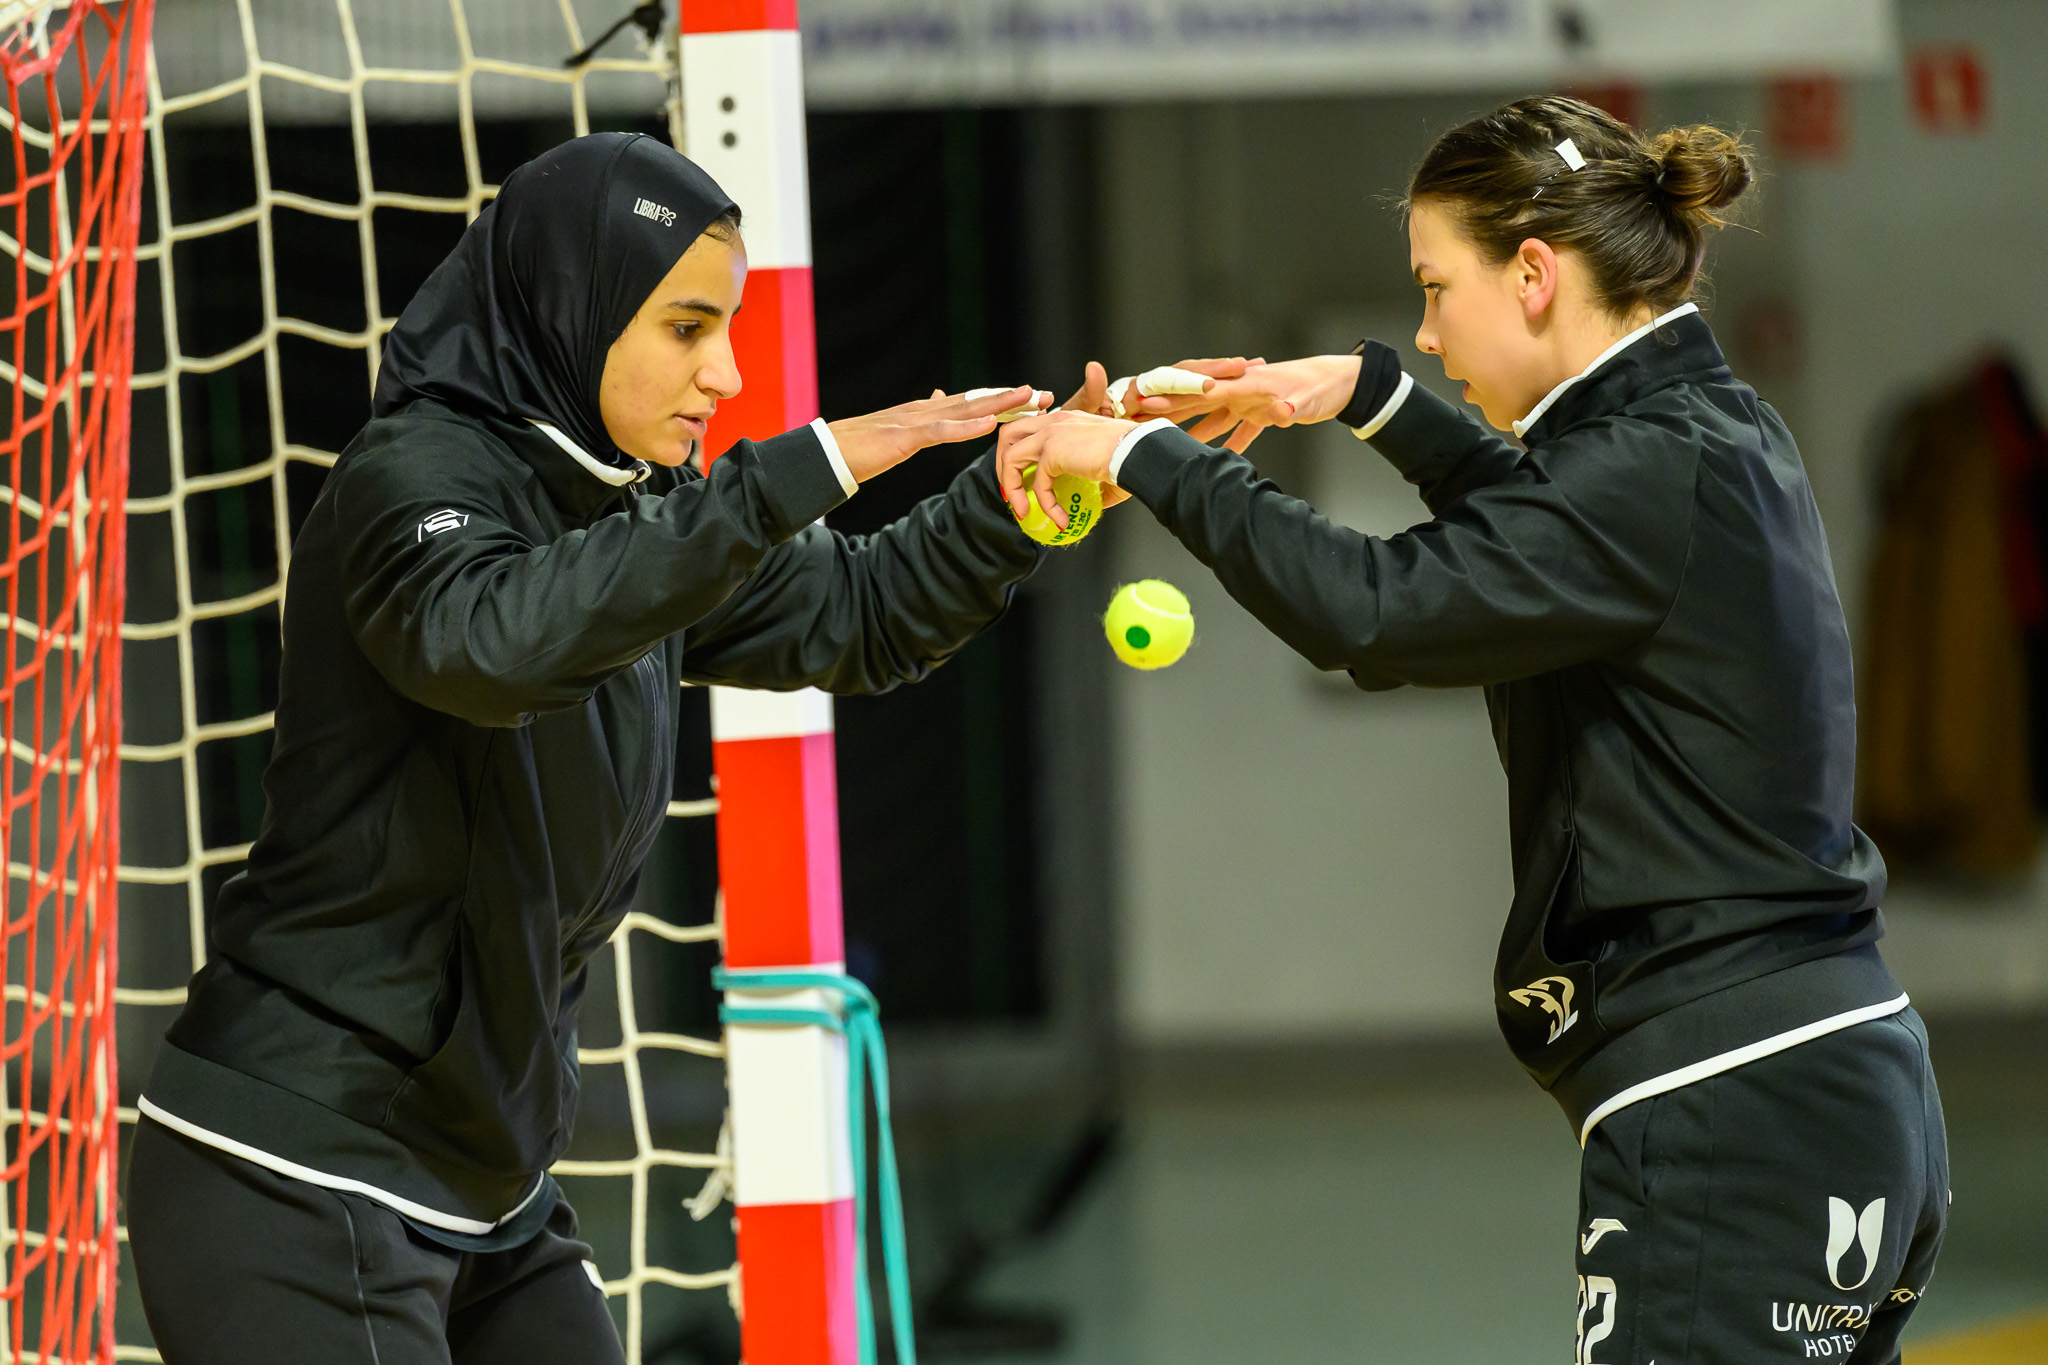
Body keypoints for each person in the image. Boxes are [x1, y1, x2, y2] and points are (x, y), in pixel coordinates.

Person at [1001, 97, 1947, 1364]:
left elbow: (1376, 614)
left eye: (1436, 289)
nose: (1426, 327)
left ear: (1536, 276)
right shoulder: (1698, 427)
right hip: (1831, 1078)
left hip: (1736, 1109)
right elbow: (1542, 531)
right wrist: (1364, 396)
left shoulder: (1638, 467)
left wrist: (1140, 460)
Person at [125, 131, 1064, 1364]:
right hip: (296, 1168)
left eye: (726, 329)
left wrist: (1022, 499)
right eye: (686, 329)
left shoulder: (634, 506)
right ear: (578, 307)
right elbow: (494, 641)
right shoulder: (409, 480)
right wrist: (804, 466)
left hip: (487, 1181)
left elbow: (858, 615)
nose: (725, 373)